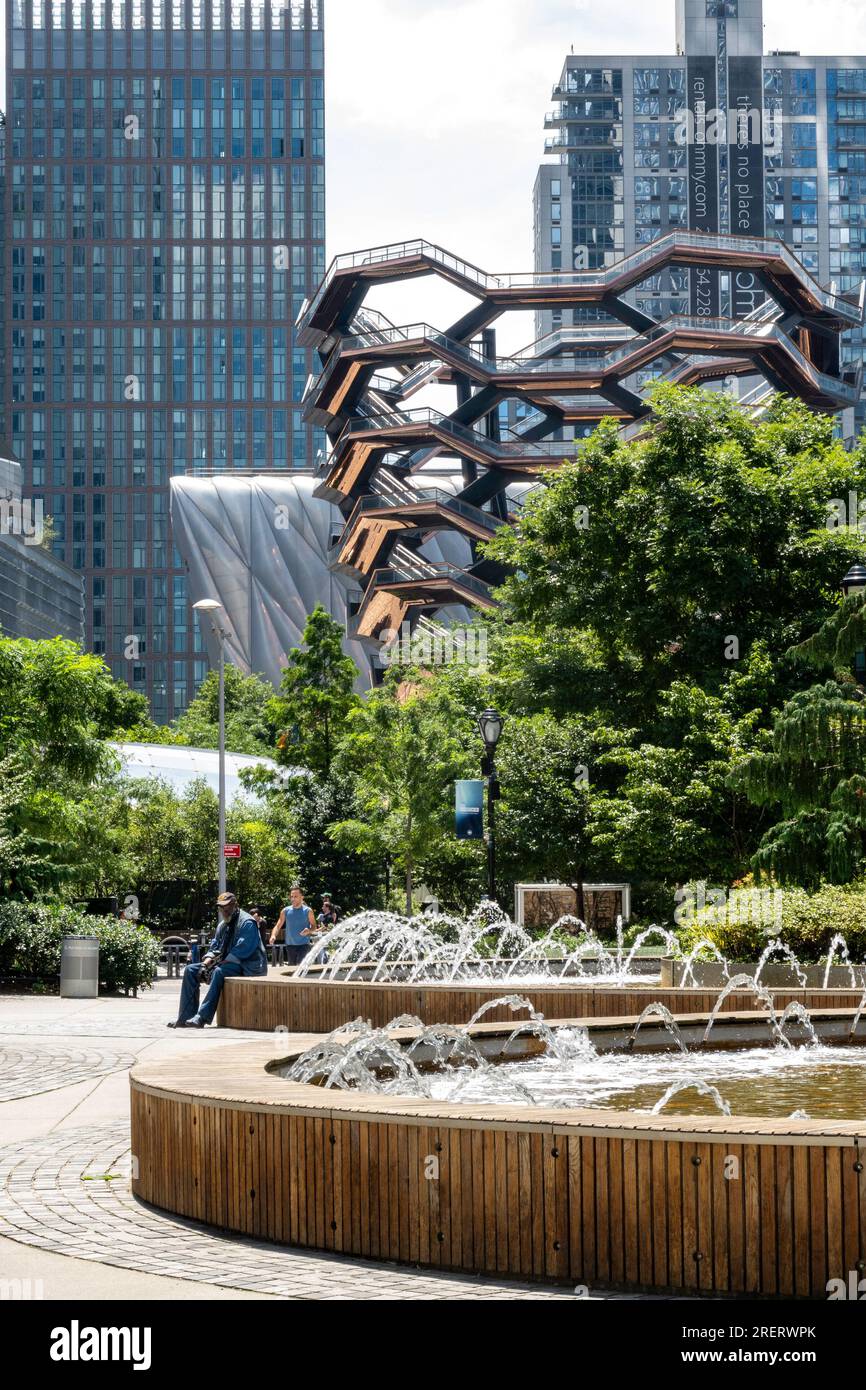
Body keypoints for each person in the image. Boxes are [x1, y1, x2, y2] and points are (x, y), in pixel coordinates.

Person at [167, 890, 267, 1029]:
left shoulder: (247, 922)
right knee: (191, 970)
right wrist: (204, 965)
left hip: (248, 965)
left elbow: (242, 950)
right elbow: (215, 948)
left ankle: (201, 1017)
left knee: (219, 971)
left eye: (226, 907)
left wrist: (215, 966)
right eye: (221, 908)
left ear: (235, 905)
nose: (223, 911)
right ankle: (185, 1018)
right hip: (228, 963)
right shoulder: (223, 925)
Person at [270, 883, 317, 967]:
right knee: (291, 969)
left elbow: (314, 927)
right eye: (292, 896)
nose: (293, 899)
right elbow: (278, 926)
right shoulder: (285, 911)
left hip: (304, 945)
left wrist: (309, 930)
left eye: (295, 896)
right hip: (290, 946)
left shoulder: (308, 911)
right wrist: (273, 935)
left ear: (302, 897)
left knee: (300, 968)